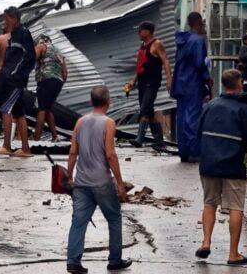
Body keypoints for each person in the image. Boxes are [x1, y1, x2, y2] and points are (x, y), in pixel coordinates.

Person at [195, 69, 247, 265]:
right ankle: (233, 253)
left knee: (209, 203)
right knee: (235, 207)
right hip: (233, 165)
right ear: (239, 83)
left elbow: (198, 132)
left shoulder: (210, 105)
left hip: (208, 164)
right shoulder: (244, 109)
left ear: (223, 84)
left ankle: (205, 242)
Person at [66, 85, 132, 274]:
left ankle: (73, 261)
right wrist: (119, 183)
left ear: (91, 101)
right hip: (102, 182)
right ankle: (114, 259)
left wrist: (69, 177)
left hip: (81, 183)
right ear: (108, 102)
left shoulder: (80, 122)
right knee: (114, 218)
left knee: (78, 221)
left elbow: (72, 152)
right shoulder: (109, 123)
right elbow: (110, 154)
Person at [0, 7, 36, 157]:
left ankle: (7, 146)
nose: (5, 22)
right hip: (9, 78)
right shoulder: (13, 36)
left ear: (15, 18)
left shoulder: (24, 33)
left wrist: (16, 74)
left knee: (5, 108)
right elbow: (9, 59)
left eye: (7, 19)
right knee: (18, 112)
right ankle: (25, 149)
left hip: (15, 80)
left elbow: (30, 57)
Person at [171, 12, 210, 163]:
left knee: (181, 117)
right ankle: (194, 151)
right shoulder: (197, 40)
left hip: (180, 83)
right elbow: (200, 63)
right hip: (193, 83)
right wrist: (207, 76)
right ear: (199, 22)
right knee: (193, 116)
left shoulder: (182, 40)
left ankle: (184, 151)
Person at [126, 21, 172, 149]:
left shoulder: (157, 44)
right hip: (142, 82)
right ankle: (158, 140)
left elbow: (166, 61)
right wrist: (133, 81)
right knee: (148, 111)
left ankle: (139, 139)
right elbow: (140, 66)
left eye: (140, 30)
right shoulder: (142, 45)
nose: (138, 33)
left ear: (147, 31)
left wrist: (169, 79)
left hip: (152, 82)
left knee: (145, 108)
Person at [33, 33, 68, 141]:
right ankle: (55, 137)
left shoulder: (41, 46)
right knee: (48, 108)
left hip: (46, 80)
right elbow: (65, 74)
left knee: (41, 109)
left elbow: (31, 59)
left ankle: (36, 139)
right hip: (58, 82)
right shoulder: (59, 53)